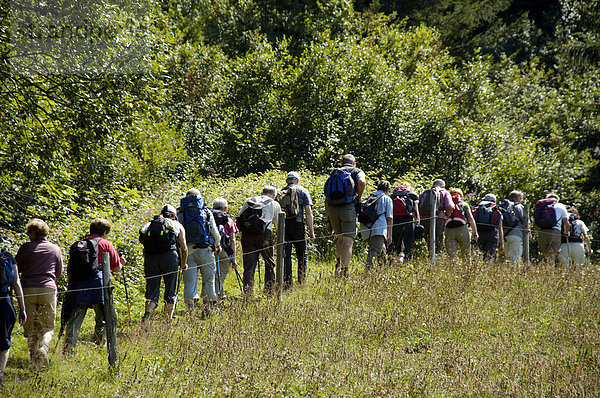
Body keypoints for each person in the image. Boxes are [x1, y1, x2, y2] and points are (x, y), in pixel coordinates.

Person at [63, 218, 124, 354]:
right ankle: (99, 345)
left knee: (76, 317)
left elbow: (70, 270)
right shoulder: (106, 244)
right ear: (104, 232)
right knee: (102, 316)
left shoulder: (79, 245)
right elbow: (115, 268)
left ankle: (68, 350)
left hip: (78, 283)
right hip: (98, 283)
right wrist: (122, 262)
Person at [15, 219, 63, 369]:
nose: (28, 235)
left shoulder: (25, 248)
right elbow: (59, 272)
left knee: (31, 328)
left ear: (34, 233)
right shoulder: (55, 249)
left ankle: (34, 361)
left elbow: (16, 269)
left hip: (28, 289)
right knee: (48, 327)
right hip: (48, 288)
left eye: (29, 232)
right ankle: (43, 346)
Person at [139, 205, 188, 320]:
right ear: (173, 215)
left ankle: (147, 315)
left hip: (151, 258)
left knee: (152, 289)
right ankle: (167, 319)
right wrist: (183, 264)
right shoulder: (176, 225)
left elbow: (144, 244)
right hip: (170, 257)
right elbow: (184, 248)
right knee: (170, 289)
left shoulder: (150, 224)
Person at [179, 189, 221, 316]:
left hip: (187, 252)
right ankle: (208, 308)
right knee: (208, 279)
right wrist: (217, 245)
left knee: (190, 281)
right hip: (205, 251)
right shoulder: (206, 211)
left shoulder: (180, 212)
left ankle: (190, 310)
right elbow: (215, 233)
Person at [324, 154, 366, 277]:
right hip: (348, 209)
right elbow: (362, 181)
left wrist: (328, 220)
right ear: (354, 163)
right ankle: (345, 272)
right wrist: (359, 198)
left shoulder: (334, 173)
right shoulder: (356, 171)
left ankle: (338, 266)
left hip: (333, 210)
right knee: (348, 241)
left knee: (340, 239)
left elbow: (326, 199)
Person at [237, 186, 281, 296]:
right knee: (269, 263)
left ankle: (247, 293)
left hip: (247, 236)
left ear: (262, 192)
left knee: (249, 266)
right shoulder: (274, 203)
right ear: (273, 195)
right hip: (265, 235)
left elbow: (239, 218)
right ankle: (268, 292)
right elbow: (278, 225)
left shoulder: (249, 201)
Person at [279, 172, 315, 289]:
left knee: (286, 255)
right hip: (298, 224)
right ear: (297, 180)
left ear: (287, 181)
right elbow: (308, 213)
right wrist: (312, 232)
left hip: (284, 225)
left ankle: (287, 283)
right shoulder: (303, 191)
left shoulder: (280, 192)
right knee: (302, 254)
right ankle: (301, 281)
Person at [1, 235, 26, 385]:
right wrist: (22, 308)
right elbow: (16, 283)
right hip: (4, 302)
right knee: (4, 341)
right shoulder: (8, 257)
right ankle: (0, 376)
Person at [359, 180, 393, 269]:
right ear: (388, 189)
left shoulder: (369, 197)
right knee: (374, 250)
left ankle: (384, 271)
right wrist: (390, 235)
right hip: (378, 229)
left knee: (381, 249)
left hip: (365, 228)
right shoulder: (387, 199)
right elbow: (389, 218)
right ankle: (368, 272)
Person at [211, 198, 239, 299]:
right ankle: (215, 298)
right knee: (220, 276)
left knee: (212, 275)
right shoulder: (229, 221)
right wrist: (233, 259)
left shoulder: (209, 218)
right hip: (224, 251)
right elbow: (232, 240)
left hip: (210, 249)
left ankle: (220, 295)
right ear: (225, 209)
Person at [419, 179, 455, 254]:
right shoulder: (444, 192)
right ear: (443, 186)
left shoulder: (423, 193)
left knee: (427, 239)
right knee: (438, 238)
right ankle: (437, 255)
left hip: (424, 219)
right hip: (439, 218)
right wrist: (446, 215)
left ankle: (429, 254)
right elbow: (450, 206)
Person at [534, 193, 569, 266]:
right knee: (551, 256)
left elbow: (535, 225)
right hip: (554, 232)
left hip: (542, 232)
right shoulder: (560, 206)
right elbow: (566, 223)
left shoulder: (541, 206)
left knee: (546, 255)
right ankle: (550, 274)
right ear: (557, 200)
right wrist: (566, 232)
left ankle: (546, 272)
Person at [444, 188, 478, 261]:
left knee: (451, 256)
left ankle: (452, 271)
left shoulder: (447, 205)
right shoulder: (464, 204)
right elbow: (471, 219)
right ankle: (466, 270)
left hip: (448, 230)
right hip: (462, 229)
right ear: (461, 196)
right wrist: (475, 233)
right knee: (466, 254)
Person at [390, 182, 420, 263]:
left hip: (395, 222)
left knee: (397, 245)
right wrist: (417, 222)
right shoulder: (410, 195)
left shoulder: (393, 195)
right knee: (409, 245)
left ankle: (397, 260)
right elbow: (415, 210)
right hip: (408, 222)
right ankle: (408, 263)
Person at [474, 194, 504, 262]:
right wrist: (501, 244)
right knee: (489, 257)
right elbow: (500, 228)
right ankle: (487, 268)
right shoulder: (495, 209)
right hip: (492, 234)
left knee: (479, 255)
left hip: (479, 234)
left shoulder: (479, 208)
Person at [501, 190, 528, 264]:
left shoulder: (505, 207)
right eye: (520, 198)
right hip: (516, 235)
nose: (522, 200)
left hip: (505, 235)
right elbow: (525, 221)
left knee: (508, 259)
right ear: (515, 199)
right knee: (515, 259)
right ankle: (515, 274)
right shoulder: (519, 207)